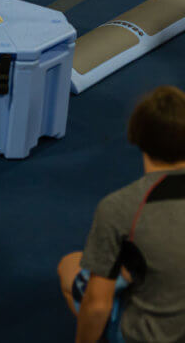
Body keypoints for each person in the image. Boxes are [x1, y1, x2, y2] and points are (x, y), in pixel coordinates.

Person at [58, 86, 185, 343]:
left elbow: (97, 306)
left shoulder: (120, 208)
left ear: (136, 135)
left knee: (70, 266)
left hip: (149, 336)